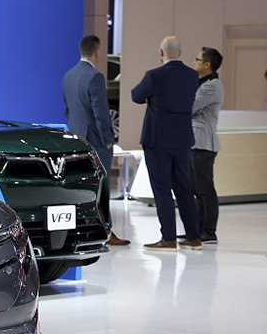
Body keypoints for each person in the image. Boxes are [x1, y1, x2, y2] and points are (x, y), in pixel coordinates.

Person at [130, 36, 202, 250]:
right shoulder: (192, 75)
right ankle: (193, 236)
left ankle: (168, 238)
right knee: (183, 188)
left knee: (162, 189)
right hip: (182, 139)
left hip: (157, 139)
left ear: (161, 52)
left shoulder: (154, 75)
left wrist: (151, 97)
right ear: (180, 53)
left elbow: (136, 95)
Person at [62, 34, 129, 245]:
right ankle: (105, 231)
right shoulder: (95, 77)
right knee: (102, 187)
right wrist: (108, 140)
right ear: (97, 51)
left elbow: (67, 110)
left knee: (79, 188)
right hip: (96, 142)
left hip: (77, 140)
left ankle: (82, 231)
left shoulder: (68, 75)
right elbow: (101, 112)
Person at [191, 46, 224, 243]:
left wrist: (192, 108)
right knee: (195, 188)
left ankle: (209, 231)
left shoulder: (212, 85)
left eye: (197, 59)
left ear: (207, 64)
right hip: (193, 142)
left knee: (204, 189)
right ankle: (197, 229)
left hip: (203, 143)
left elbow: (188, 106)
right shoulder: (200, 83)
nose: (193, 62)